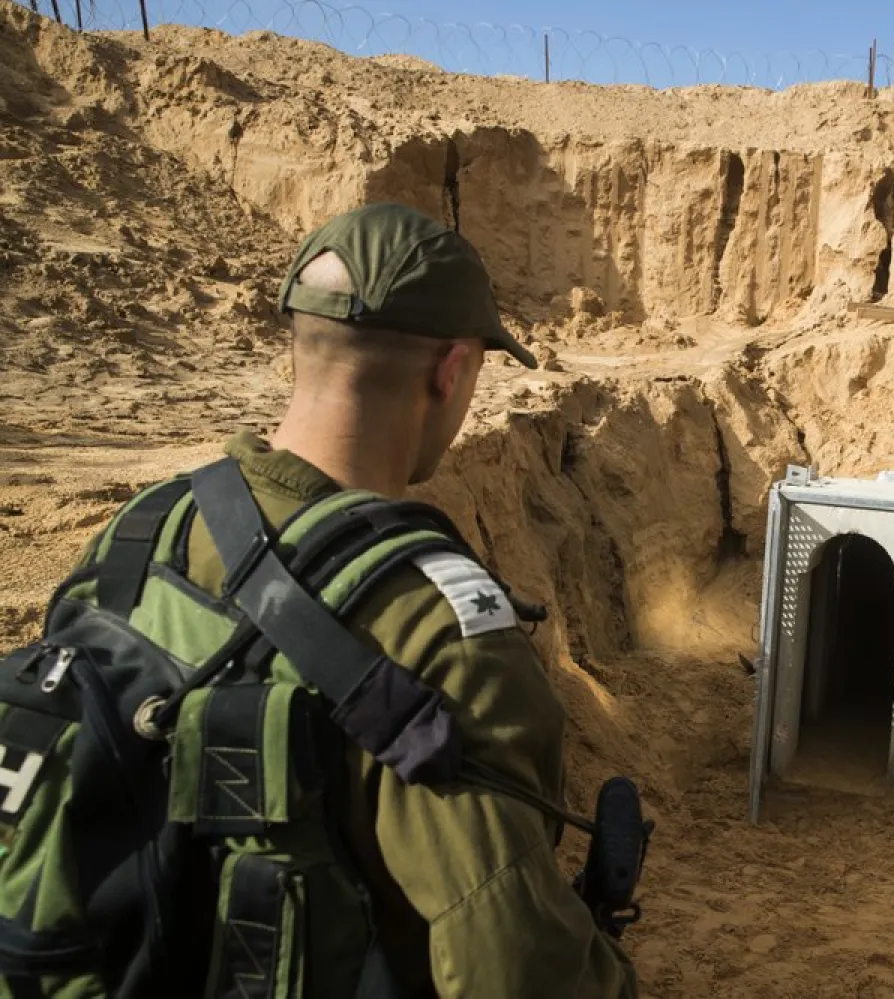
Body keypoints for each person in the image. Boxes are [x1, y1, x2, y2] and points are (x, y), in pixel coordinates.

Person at [170, 202, 638, 996]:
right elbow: (514, 970)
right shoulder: (444, 636)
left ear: (298, 344)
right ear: (451, 370)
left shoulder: (141, 532)